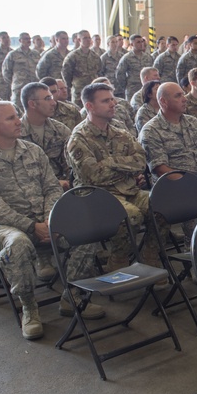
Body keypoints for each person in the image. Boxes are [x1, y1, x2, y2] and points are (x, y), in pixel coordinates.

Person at [0, 101, 103, 340]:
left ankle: (71, 296)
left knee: (86, 231)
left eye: (16, 116)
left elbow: (52, 188)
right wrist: (32, 226)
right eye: (10, 118)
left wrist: (50, 219)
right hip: (5, 226)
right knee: (17, 244)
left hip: (45, 219)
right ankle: (29, 307)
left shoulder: (33, 151)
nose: (18, 120)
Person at [67, 83, 151, 270]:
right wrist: (125, 169)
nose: (113, 103)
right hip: (98, 196)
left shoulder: (120, 131)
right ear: (90, 106)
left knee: (162, 205)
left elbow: (140, 161)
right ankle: (119, 259)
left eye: (112, 99)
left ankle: (150, 253)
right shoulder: (79, 138)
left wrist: (110, 163)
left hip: (129, 190)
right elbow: (93, 176)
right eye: (106, 101)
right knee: (131, 216)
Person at [139, 81, 197, 191]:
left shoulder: (192, 122)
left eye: (183, 94)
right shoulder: (151, 130)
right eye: (178, 96)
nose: (185, 99)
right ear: (163, 101)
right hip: (175, 189)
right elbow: (160, 169)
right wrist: (194, 187)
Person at [19, 82, 72, 187]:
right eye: (48, 99)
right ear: (32, 104)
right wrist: (53, 184)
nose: (54, 103)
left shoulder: (60, 130)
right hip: (28, 192)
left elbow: (71, 167)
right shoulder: (15, 133)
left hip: (61, 189)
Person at [61, 30, 101, 105]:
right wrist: (73, 85)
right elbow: (66, 74)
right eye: (85, 38)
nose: (88, 40)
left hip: (93, 91)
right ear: (79, 40)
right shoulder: (72, 56)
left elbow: (99, 71)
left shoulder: (95, 56)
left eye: (89, 38)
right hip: (79, 92)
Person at [2, 33, 41, 111]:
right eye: (26, 39)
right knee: (18, 110)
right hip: (19, 88)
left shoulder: (36, 54)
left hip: (33, 87)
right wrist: (15, 82)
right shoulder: (12, 54)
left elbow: (40, 69)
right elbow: (6, 72)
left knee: (35, 109)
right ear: (20, 40)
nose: (28, 40)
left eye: (29, 39)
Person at [117, 35, 156, 101]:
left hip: (146, 88)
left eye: (142, 42)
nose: (141, 44)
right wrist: (126, 86)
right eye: (138, 42)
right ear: (132, 44)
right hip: (132, 89)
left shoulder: (148, 57)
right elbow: (120, 73)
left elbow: (152, 71)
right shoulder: (127, 58)